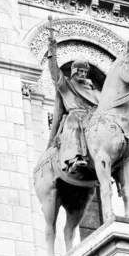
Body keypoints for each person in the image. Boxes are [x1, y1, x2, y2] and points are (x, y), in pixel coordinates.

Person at [47, 36, 99, 175]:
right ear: (74, 71)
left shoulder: (94, 91)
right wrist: (52, 52)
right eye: (80, 71)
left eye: (85, 72)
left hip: (94, 116)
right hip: (76, 115)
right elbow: (55, 73)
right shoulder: (66, 85)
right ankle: (76, 158)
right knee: (74, 123)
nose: (83, 74)